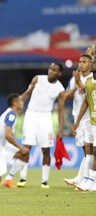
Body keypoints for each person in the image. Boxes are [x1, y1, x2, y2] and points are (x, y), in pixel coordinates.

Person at [13, 63, 65, 189]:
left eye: (54, 70)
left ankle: (44, 181)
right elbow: (27, 93)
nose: (51, 71)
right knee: (27, 147)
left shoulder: (60, 89)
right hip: (31, 115)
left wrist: (61, 129)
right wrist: (17, 104)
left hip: (46, 117)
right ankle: (23, 178)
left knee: (46, 149)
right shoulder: (38, 79)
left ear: (59, 74)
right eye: (50, 68)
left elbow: (61, 110)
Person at [0, 93, 29, 186]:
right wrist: (20, 147)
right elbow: (7, 135)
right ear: (15, 103)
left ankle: (8, 179)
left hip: (2, 148)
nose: (22, 102)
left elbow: (11, 135)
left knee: (24, 155)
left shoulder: (13, 115)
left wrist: (20, 149)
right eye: (20, 101)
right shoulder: (11, 115)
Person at [63, 51, 94, 189]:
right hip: (79, 116)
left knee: (90, 149)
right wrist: (75, 85)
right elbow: (66, 97)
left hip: (90, 117)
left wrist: (78, 82)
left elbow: (88, 96)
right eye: (80, 62)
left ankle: (86, 180)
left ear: (90, 64)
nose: (81, 64)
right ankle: (82, 178)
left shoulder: (92, 78)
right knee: (85, 150)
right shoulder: (73, 79)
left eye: (84, 62)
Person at [72, 67, 96, 191]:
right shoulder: (89, 81)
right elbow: (86, 102)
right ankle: (86, 179)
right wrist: (77, 122)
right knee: (89, 150)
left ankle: (92, 181)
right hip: (92, 122)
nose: (93, 65)